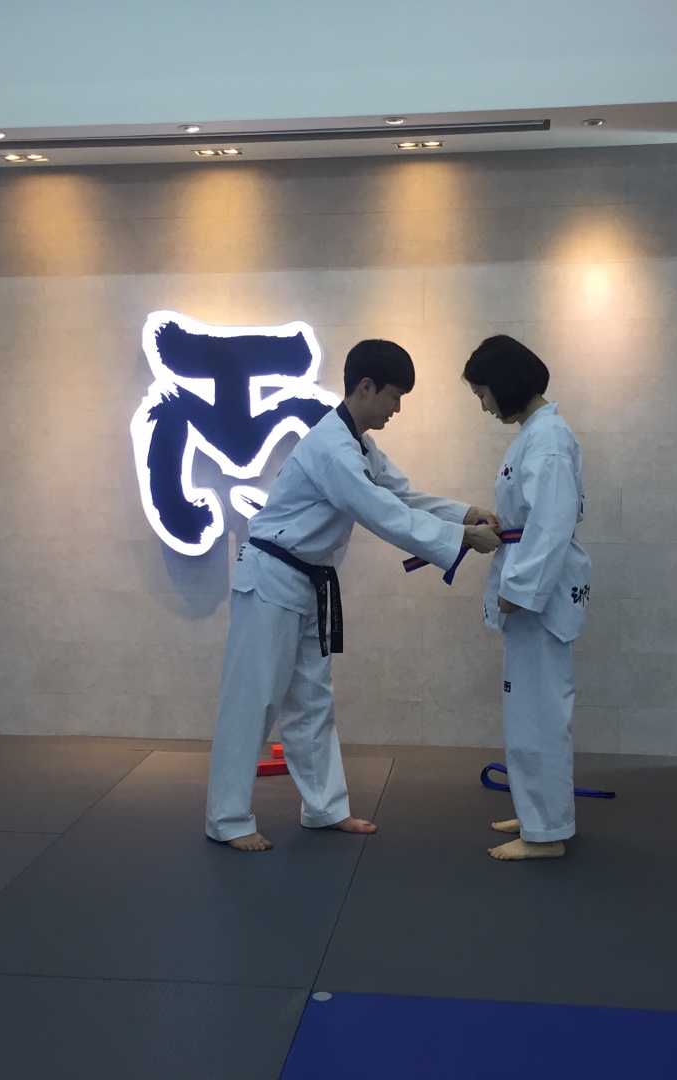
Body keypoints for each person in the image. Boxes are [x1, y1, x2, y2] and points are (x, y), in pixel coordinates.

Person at [206, 339, 502, 852]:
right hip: (271, 580)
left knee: (312, 700)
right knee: (253, 700)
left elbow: (400, 495)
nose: (397, 409)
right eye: (394, 396)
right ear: (366, 387)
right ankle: (227, 819)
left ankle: (325, 808)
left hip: (307, 583)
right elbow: (380, 513)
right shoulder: (332, 448)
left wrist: (464, 513)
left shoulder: (358, 444)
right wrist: (460, 538)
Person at [464, 335, 591, 861]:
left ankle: (547, 834)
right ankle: (538, 811)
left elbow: (551, 525)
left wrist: (518, 591)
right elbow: (531, 519)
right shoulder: (535, 434)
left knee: (539, 712)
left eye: (483, 393)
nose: (484, 405)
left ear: (505, 383)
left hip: (539, 595)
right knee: (527, 710)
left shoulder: (548, 439)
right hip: (528, 584)